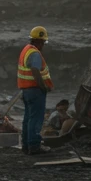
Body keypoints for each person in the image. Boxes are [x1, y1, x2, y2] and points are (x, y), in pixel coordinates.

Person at [17, 27, 54, 155]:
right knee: (36, 119)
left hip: (26, 90)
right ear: (39, 41)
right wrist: (43, 86)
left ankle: (26, 145)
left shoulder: (25, 50)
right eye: (43, 42)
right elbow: (35, 70)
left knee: (28, 118)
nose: (43, 45)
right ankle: (34, 145)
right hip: (35, 90)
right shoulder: (34, 53)